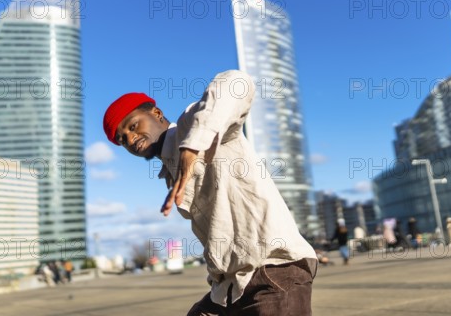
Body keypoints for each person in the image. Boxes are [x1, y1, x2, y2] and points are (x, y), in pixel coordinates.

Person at [103, 70, 318, 315]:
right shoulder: (171, 171)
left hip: (273, 273)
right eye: (123, 139)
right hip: (228, 288)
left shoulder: (192, 123)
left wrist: (193, 145)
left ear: (156, 113)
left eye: (133, 126)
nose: (130, 139)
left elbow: (237, 82)